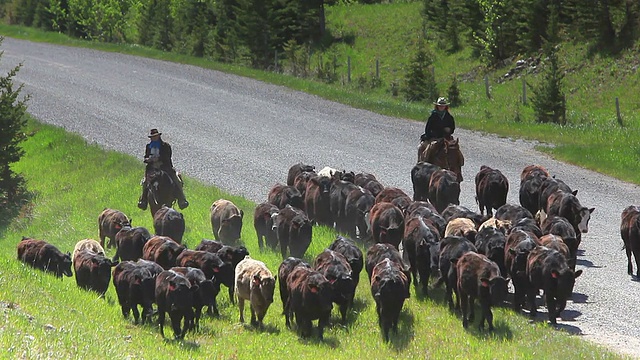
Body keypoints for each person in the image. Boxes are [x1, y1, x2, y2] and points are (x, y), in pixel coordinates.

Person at [137, 129, 189, 210]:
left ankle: (182, 199)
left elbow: (167, 157)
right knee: (144, 182)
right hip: (152, 168)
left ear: (158, 136)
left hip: (165, 168)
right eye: (152, 137)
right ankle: (143, 200)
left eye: (155, 136)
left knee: (177, 180)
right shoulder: (148, 146)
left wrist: (158, 159)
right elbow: (145, 157)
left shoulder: (165, 146)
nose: (153, 138)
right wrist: (148, 160)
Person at [417, 97, 455, 162]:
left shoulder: (449, 117)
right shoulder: (433, 116)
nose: (441, 107)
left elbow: (452, 128)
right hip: (434, 137)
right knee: (425, 148)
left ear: (445, 107)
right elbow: (427, 129)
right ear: (437, 106)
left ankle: (456, 165)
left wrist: (449, 130)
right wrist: (432, 136)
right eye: (440, 106)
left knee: (454, 149)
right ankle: (423, 163)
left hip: (445, 137)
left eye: (443, 106)